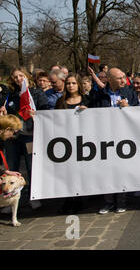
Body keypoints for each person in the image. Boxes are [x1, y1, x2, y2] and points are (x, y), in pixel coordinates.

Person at [91, 67, 138, 214]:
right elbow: (92, 115)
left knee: (121, 171)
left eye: (124, 77)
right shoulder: (99, 96)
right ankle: (108, 202)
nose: (124, 80)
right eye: (119, 78)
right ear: (109, 80)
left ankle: (121, 201)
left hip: (124, 138)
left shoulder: (130, 93)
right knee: (107, 171)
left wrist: (128, 107)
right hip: (106, 139)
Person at [3, 67, 49, 209]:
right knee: (11, 168)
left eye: (21, 76)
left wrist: (37, 114)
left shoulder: (36, 93)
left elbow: (46, 110)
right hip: (13, 138)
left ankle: (33, 196)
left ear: (27, 76)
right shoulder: (11, 95)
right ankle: (8, 200)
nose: (18, 79)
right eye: (15, 77)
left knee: (31, 167)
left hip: (30, 136)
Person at [54, 74, 88, 214]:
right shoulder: (60, 101)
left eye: (73, 83)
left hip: (83, 140)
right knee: (67, 171)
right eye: (68, 83)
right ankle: (68, 199)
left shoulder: (87, 100)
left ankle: (78, 200)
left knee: (79, 170)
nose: (70, 86)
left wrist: (87, 112)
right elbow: (54, 119)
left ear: (78, 85)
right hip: (66, 139)